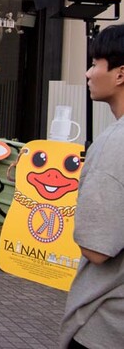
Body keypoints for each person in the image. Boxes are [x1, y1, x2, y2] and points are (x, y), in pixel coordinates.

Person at [60, 25, 124, 349]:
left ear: (120, 74)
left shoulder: (114, 144)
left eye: (96, 62)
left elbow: (96, 248)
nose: (87, 73)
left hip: (106, 322)